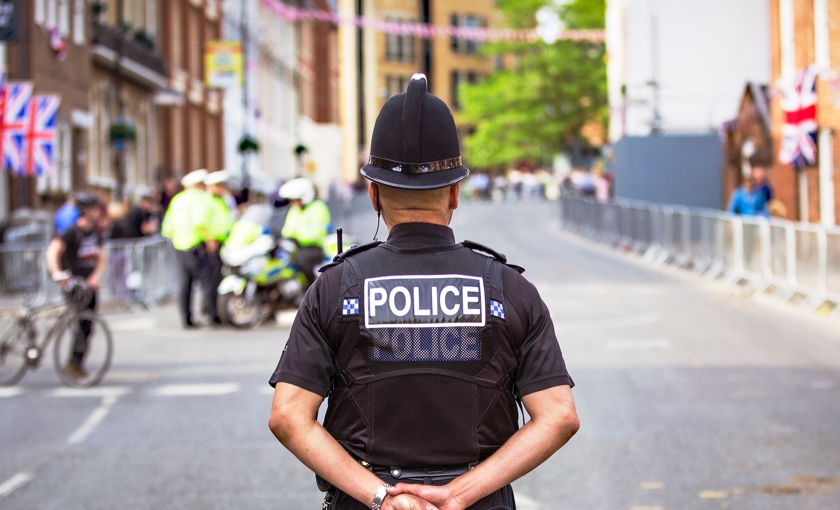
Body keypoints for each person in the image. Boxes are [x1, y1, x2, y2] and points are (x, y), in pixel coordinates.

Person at [268, 74, 579, 510]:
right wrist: (458, 493)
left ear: (373, 195)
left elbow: (288, 416)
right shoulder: (509, 288)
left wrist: (381, 497)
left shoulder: (335, 287)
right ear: (455, 193)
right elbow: (558, 416)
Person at [44, 192, 106, 379]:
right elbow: (52, 251)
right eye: (95, 209)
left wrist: (96, 275)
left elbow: (101, 257)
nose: (98, 213)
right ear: (86, 211)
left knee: (88, 326)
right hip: (74, 285)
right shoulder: (72, 232)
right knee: (78, 325)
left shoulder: (94, 233)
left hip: (89, 286)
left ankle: (76, 362)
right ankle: (74, 362)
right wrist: (57, 274)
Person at [160, 169, 220, 328]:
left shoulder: (177, 200)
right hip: (197, 245)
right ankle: (209, 313)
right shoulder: (202, 199)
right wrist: (210, 241)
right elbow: (200, 221)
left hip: (180, 246)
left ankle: (186, 317)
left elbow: (167, 227)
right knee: (208, 280)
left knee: (185, 283)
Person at [277, 177, 332, 287]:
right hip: (296, 247)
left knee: (303, 261)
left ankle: (309, 290)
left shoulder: (318, 208)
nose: (293, 203)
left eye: (295, 199)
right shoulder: (294, 210)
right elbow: (287, 230)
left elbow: (316, 234)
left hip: (314, 248)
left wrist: (297, 236)